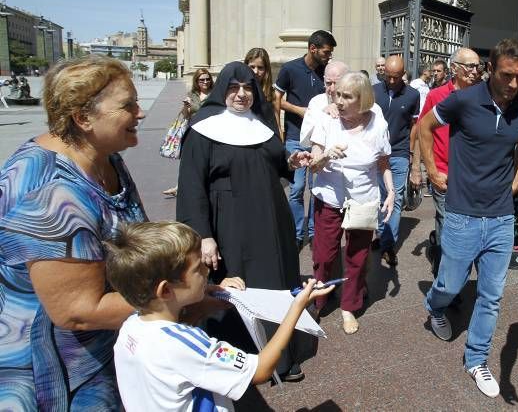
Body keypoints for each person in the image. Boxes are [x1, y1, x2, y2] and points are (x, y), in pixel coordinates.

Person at [0, 57, 151, 409]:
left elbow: (134, 233)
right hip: (60, 375)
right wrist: (180, 297)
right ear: (83, 118)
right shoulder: (51, 192)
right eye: (128, 105)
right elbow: (80, 311)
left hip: (106, 350)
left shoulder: (105, 155)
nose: (140, 113)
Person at [177, 61, 313, 382]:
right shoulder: (202, 129)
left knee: (275, 286)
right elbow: (192, 187)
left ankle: (279, 359)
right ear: (222, 90)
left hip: (271, 224)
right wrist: (203, 236)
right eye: (234, 88)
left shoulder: (262, 125)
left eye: (247, 88)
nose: (241, 95)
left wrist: (293, 161)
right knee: (236, 291)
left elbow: (280, 164)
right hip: (229, 227)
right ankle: (236, 361)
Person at [106, 221, 333, 411]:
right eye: (197, 269)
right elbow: (261, 369)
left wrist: (209, 300)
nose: (206, 270)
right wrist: (295, 307)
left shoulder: (130, 328)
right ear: (165, 290)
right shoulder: (187, 345)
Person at [419, 39, 518, 398]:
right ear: (490, 70)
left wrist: (517, 178)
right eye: (506, 75)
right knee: (450, 286)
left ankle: (476, 359)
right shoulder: (463, 101)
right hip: (461, 214)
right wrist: (431, 169)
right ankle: (434, 306)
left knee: (491, 295)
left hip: (501, 217)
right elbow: (424, 127)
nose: (514, 84)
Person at [309, 72, 394, 334]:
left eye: (348, 96)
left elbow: (383, 162)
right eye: (337, 95)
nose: (340, 100)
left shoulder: (377, 124)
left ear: (363, 99)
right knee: (324, 256)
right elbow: (312, 166)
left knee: (357, 257)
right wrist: (325, 156)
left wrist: (391, 192)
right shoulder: (327, 120)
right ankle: (318, 301)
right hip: (329, 198)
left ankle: (349, 305)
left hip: (363, 200)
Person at [409, 48, 483, 276]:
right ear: (454, 68)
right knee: (447, 221)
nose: (474, 71)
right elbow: (422, 131)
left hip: (473, 176)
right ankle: (445, 271)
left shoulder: (485, 95)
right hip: (442, 172)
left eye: (477, 66)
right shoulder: (437, 95)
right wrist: (417, 168)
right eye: (469, 66)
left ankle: (456, 266)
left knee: (469, 224)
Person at [275, 30, 336, 249]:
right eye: (326, 52)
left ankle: (313, 231)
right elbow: (277, 100)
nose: (329, 56)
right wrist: (299, 110)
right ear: (313, 49)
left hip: (321, 140)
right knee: (297, 188)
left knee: (317, 188)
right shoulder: (290, 69)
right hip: (295, 137)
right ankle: (297, 233)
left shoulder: (326, 72)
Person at [372, 55, 420, 266]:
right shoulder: (373, 91)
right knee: (380, 196)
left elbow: (415, 125)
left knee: (396, 198)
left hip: (399, 152)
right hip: (375, 153)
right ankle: (382, 236)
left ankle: (389, 244)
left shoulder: (413, 95)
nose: (391, 81)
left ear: (403, 74)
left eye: (396, 77)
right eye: (388, 77)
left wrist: (411, 153)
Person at [163, 68, 214, 197]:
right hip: (193, 132)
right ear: (197, 81)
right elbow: (186, 115)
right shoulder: (192, 95)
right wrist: (186, 107)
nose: (205, 82)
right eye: (202, 79)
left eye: (208, 79)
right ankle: (179, 186)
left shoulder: (215, 94)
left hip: (211, 133)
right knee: (187, 160)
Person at [244, 47, 282, 141]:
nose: (256, 72)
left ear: (266, 70)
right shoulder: (239, 92)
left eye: (260, 68)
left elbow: (277, 125)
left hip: (264, 142)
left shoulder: (272, 94)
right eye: (252, 67)